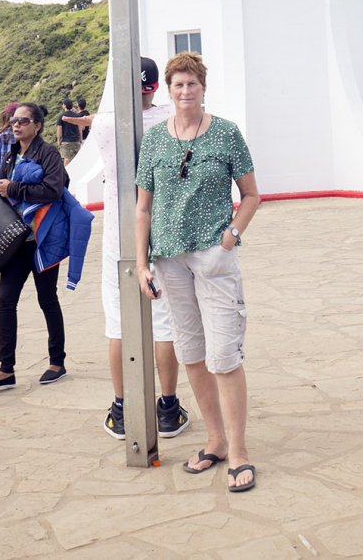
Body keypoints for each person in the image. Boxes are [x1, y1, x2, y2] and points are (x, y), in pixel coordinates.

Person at [136, 52, 260, 493]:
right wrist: (141, 262)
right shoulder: (153, 142)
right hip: (169, 260)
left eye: (191, 83)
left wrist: (231, 236)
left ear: (202, 87)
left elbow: (250, 194)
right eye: (177, 85)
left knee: (224, 354)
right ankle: (216, 440)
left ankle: (240, 453)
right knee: (191, 352)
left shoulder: (226, 133)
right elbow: (143, 207)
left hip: (213, 256)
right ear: (167, 91)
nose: (184, 91)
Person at [83, 57, 190, 440]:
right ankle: (167, 405)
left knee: (118, 324)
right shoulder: (168, 121)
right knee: (164, 326)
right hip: (160, 233)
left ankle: (122, 406)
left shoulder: (105, 124)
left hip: (118, 235)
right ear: (156, 86)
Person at [0, 102, 71, 391]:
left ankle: (57, 362)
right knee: (6, 300)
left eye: (22, 121)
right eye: (13, 121)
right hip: (14, 241)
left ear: (37, 125)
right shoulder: (11, 154)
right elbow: (1, 195)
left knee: (47, 299)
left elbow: (54, 189)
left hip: (42, 239)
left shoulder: (48, 153)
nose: (15, 125)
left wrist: (14, 189)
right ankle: (6, 369)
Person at [56, 98, 82, 166]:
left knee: (67, 158)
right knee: (76, 158)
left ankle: (66, 175)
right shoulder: (76, 115)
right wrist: (81, 138)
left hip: (66, 141)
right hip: (76, 140)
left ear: (65, 106)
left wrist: (59, 140)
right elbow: (79, 127)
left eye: (63, 104)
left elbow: (59, 129)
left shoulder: (61, 116)